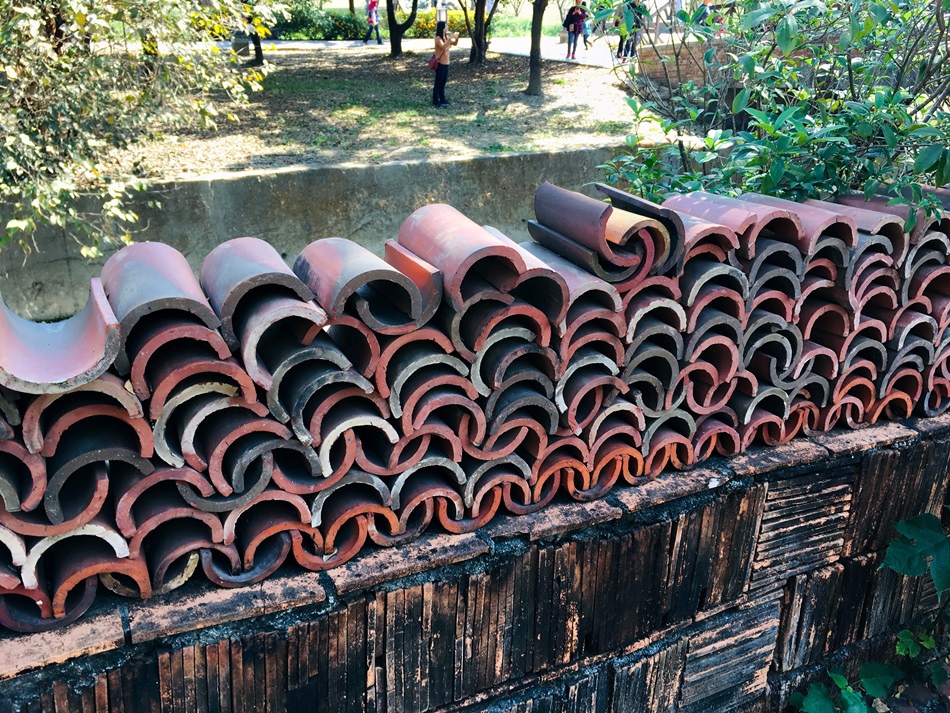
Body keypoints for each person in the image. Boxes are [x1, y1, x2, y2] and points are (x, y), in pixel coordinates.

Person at [432, 21, 460, 108]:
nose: (447, 27)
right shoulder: (438, 38)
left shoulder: (445, 37)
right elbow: (443, 46)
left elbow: (454, 44)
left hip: (446, 64)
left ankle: (442, 98)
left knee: (443, 83)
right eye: (446, 26)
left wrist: (456, 38)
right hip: (440, 64)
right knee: (438, 84)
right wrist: (449, 38)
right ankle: (436, 101)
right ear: (442, 28)